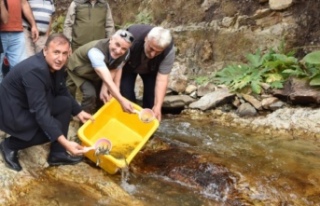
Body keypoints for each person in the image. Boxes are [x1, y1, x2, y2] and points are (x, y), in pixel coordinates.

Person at [0, 34, 93, 172]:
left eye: (64, 53)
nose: (60, 58)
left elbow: (62, 90)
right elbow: (40, 112)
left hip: (26, 103)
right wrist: (66, 142)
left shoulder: (57, 65)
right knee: (52, 129)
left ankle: (58, 154)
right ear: (45, 50)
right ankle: (10, 145)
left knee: (65, 103)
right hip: (11, 112)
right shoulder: (34, 71)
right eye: (56, 52)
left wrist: (79, 111)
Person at [66, 29, 135, 114]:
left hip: (96, 72)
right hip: (79, 69)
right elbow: (107, 78)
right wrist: (122, 101)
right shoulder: (96, 52)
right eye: (117, 45)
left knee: (104, 95)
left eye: (123, 49)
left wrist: (106, 88)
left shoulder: (126, 53)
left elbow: (114, 68)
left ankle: (97, 116)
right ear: (111, 39)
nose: (118, 51)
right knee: (90, 94)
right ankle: (84, 121)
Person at [120, 24, 175, 121]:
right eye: (151, 48)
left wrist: (158, 106)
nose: (153, 54)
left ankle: (146, 128)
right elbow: (117, 66)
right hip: (127, 67)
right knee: (127, 96)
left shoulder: (169, 50)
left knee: (152, 103)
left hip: (151, 70)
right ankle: (130, 122)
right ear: (146, 39)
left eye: (158, 52)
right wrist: (112, 89)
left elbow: (162, 79)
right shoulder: (130, 37)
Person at [0, 0, 39, 82]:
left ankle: (14, 94)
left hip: (18, 32)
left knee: (20, 70)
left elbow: (24, 3)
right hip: (1, 33)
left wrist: (33, 25)